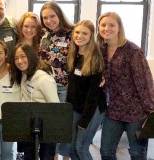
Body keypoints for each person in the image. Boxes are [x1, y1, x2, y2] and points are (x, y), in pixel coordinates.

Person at [97, 12, 154, 160]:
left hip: (136, 111)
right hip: (113, 110)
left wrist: (151, 111)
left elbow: (145, 82)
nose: (106, 28)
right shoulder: (100, 50)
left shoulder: (132, 51)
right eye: (103, 25)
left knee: (137, 154)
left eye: (111, 25)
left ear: (119, 28)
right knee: (106, 152)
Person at [10, 44, 60, 160]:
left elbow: (56, 107)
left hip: (47, 126)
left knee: (46, 156)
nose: (19, 61)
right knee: (29, 155)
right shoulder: (23, 74)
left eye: (23, 56)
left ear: (31, 56)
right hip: (29, 124)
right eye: (16, 58)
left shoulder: (45, 79)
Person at [66, 20, 106, 160]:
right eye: (77, 32)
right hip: (76, 107)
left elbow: (93, 95)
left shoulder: (95, 58)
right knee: (71, 150)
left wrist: (84, 121)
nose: (80, 36)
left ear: (91, 36)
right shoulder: (73, 55)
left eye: (85, 33)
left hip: (92, 109)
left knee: (81, 148)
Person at [38, 2, 74, 159]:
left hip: (66, 86)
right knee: (51, 125)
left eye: (52, 16)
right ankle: (54, 157)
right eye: (45, 17)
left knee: (65, 124)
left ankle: (65, 156)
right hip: (48, 87)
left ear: (60, 15)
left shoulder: (72, 34)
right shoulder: (45, 36)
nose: (48, 20)